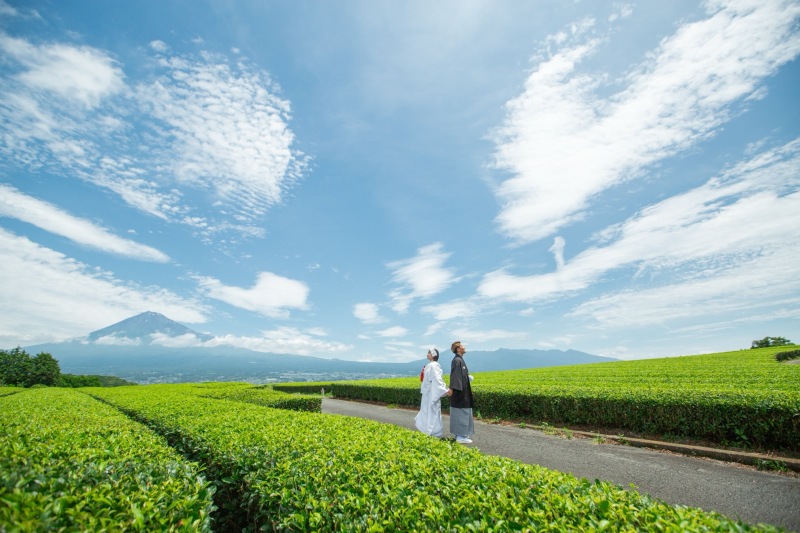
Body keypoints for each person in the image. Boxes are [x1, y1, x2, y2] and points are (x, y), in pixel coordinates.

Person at [414, 347, 449, 437]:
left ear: (433, 355)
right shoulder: (432, 365)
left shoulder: (432, 365)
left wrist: (444, 389)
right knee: (429, 411)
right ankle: (430, 431)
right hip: (429, 392)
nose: (427, 354)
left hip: (430, 393)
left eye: (429, 352)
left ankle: (431, 431)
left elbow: (437, 379)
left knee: (429, 411)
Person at [447, 340, 474, 444]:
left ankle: (462, 434)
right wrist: (452, 388)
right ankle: (460, 436)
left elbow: (460, 376)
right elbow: (455, 376)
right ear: (458, 349)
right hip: (460, 393)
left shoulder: (459, 360)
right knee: (460, 413)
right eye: (462, 346)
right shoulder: (457, 361)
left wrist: (467, 378)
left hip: (463, 392)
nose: (464, 347)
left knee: (463, 412)